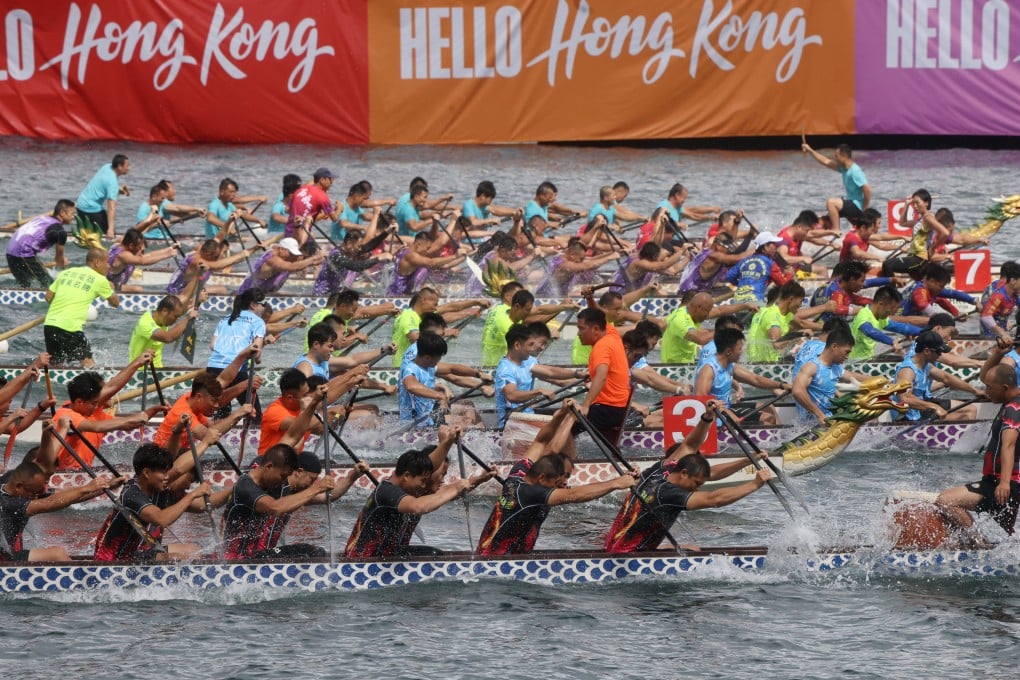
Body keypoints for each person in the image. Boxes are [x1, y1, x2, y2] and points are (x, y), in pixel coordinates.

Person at [605, 402, 772, 552]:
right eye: (696, 483)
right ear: (684, 473)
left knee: (689, 548)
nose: (697, 488)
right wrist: (754, 485)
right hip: (627, 557)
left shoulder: (660, 470)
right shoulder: (669, 493)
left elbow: (691, 445)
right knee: (693, 551)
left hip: (612, 544)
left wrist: (708, 417)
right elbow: (714, 499)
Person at [477, 403, 639, 555]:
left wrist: (562, 416)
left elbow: (540, 443)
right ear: (541, 478)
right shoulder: (531, 493)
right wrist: (616, 483)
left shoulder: (517, 474)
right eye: (557, 483)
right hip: (502, 559)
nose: (561, 485)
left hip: (492, 553)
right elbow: (573, 495)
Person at [345, 447, 493, 558]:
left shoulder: (412, 490)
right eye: (422, 480)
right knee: (434, 555)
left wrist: (478, 480)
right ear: (407, 476)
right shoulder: (387, 491)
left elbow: (442, 494)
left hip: (389, 555)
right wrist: (446, 441)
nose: (424, 485)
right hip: (363, 560)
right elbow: (418, 506)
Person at [93, 442, 226, 562]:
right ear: (146, 473)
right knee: (188, 558)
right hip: (112, 560)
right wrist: (192, 495)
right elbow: (162, 519)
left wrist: (178, 430)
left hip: (131, 554)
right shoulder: (132, 495)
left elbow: (202, 505)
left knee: (194, 551)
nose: (167, 477)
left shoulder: (149, 486)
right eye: (163, 472)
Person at [935, 363, 1020, 541]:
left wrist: (1004, 483)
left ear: (1004, 387)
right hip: (996, 481)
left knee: (946, 500)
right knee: (1009, 535)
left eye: (989, 387)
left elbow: (1009, 445)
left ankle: (980, 545)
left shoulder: (1014, 410)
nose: (987, 391)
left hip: (1005, 484)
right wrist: (997, 352)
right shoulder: (1010, 404)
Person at [221, 445, 346, 559]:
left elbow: (327, 497)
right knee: (312, 553)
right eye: (282, 476)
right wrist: (316, 488)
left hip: (260, 555)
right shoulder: (245, 486)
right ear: (269, 466)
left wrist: (354, 474)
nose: (284, 481)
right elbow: (275, 508)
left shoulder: (273, 483)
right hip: (239, 558)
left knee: (312, 551)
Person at [52, 357, 168, 470]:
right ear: (79, 402)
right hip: (62, 472)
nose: (97, 406)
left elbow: (127, 425)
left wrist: (154, 409)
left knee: (123, 468)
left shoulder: (92, 412)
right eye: (94, 403)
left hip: (82, 471)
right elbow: (97, 427)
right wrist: (136, 363)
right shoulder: (67, 415)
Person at [2, 455, 122, 562]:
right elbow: (50, 503)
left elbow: (66, 496)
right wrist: (86, 488)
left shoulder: (10, 485)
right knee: (57, 554)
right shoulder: (9, 502)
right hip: (3, 561)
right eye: (33, 494)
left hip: (9, 554)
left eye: (38, 493)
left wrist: (106, 487)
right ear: (18, 486)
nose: (35, 497)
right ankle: (81, 585)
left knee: (57, 552)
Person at [694, 327, 790, 424]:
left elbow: (755, 379)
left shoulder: (729, 365)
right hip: (715, 417)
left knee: (769, 408)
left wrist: (782, 385)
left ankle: (782, 437)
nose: (742, 352)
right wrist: (726, 412)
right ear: (728, 351)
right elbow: (700, 400)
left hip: (726, 408)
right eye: (739, 349)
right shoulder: (709, 370)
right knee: (767, 419)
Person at [43, 247, 119, 367]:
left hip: (49, 324)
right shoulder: (101, 280)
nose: (109, 266)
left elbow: (48, 297)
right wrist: (111, 288)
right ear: (97, 262)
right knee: (88, 363)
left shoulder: (66, 272)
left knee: (56, 366)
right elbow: (115, 303)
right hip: (70, 327)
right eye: (107, 262)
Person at [152, 371, 254, 452]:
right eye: (214, 401)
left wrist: (245, 384)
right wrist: (238, 414)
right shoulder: (184, 414)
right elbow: (208, 436)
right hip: (160, 461)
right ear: (199, 397)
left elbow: (223, 379)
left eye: (218, 401)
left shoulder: (190, 398)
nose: (217, 405)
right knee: (194, 466)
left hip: (176, 454)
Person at [893, 331, 981, 422]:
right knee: (963, 418)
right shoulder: (907, 370)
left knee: (971, 409)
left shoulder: (927, 366)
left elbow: (946, 378)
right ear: (926, 351)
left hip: (924, 405)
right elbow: (905, 398)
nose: (940, 355)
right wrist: (935, 407)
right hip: (909, 415)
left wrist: (975, 391)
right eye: (938, 352)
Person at [575, 308, 631, 445]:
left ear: (595, 329)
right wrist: (589, 299)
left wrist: (585, 405)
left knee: (564, 420)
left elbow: (601, 376)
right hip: (619, 408)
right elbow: (599, 316)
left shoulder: (601, 347)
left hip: (608, 410)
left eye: (581, 329)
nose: (578, 333)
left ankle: (564, 461)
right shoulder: (613, 335)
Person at [791, 329, 861, 423]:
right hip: (812, 426)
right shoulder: (811, 367)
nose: (847, 356)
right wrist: (819, 415)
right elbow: (797, 391)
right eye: (847, 352)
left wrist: (880, 380)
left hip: (830, 422)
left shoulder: (835, 368)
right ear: (834, 346)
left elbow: (852, 376)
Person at [495, 325, 557, 428]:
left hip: (526, 417)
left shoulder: (526, 363)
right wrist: (539, 391)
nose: (532, 349)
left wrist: (578, 375)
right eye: (530, 345)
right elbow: (512, 396)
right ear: (517, 345)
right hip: (511, 423)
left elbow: (551, 372)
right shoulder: (505, 369)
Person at [746, 281, 823, 363]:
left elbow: (801, 323)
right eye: (801, 301)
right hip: (766, 365)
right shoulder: (773, 316)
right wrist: (801, 334)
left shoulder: (780, 313)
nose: (801, 305)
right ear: (791, 299)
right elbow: (777, 344)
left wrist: (827, 327)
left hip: (757, 362)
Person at [801, 142, 870, 229]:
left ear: (844, 156)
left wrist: (864, 209)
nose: (835, 158)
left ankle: (836, 231)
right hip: (850, 204)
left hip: (857, 206)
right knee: (823, 220)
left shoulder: (855, 171)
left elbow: (867, 190)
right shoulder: (843, 168)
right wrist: (810, 150)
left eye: (837, 156)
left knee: (831, 202)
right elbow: (826, 161)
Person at [5, 199, 73, 287]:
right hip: (22, 253)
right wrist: (63, 261)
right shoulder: (60, 232)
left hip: (10, 249)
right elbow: (58, 261)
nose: (73, 217)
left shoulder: (43, 218)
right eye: (72, 214)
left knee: (25, 284)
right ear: (63, 213)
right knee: (48, 284)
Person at [166, 238, 259, 299]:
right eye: (216, 256)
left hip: (186, 290)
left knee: (222, 289)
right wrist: (240, 255)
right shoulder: (196, 260)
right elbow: (217, 265)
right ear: (208, 254)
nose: (219, 257)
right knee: (221, 290)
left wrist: (253, 250)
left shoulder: (203, 255)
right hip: (177, 294)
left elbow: (221, 234)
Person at [849, 285, 922, 360]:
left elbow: (901, 327)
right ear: (881, 304)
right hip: (855, 361)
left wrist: (924, 332)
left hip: (867, 359)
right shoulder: (864, 315)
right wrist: (892, 342)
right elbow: (869, 331)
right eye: (891, 308)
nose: (894, 312)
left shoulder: (879, 316)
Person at [128, 295, 199, 367]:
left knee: (185, 368)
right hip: (141, 370)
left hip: (158, 368)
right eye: (175, 317)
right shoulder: (145, 324)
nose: (176, 320)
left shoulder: (159, 316)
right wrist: (188, 319)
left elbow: (179, 309)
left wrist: (198, 301)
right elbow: (168, 338)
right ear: (164, 311)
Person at [386, 231, 465, 296]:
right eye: (427, 248)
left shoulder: (406, 248)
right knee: (425, 268)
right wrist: (455, 256)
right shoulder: (412, 256)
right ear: (418, 244)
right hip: (399, 294)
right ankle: (413, 294)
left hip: (392, 291)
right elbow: (431, 262)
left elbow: (443, 265)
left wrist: (464, 257)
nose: (427, 251)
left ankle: (416, 293)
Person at [725, 231, 793, 305]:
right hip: (755, 304)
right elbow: (784, 283)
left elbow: (729, 276)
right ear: (766, 247)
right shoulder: (770, 263)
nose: (776, 247)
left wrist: (741, 285)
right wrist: (789, 274)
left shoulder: (744, 260)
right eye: (773, 244)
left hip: (737, 303)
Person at [237, 237, 323, 294]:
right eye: (291, 253)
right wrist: (314, 258)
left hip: (262, 295)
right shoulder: (273, 260)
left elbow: (297, 266)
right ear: (281, 249)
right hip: (247, 298)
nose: (294, 256)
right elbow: (291, 267)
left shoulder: (283, 258)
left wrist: (320, 259)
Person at [398, 332, 451, 425]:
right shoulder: (410, 369)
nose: (439, 360)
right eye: (438, 358)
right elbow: (411, 386)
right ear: (427, 358)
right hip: (412, 426)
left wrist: (442, 388)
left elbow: (453, 369)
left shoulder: (426, 369)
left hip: (427, 422)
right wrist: (440, 396)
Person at [106, 228, 181, 292]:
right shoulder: (124, 255)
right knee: (138, 289)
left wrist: (170, 249)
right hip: (108, 287)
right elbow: (143, 261)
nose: (141, 253)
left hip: (110, 284)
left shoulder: (117, 244)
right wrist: (168, 255)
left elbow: (149, 255)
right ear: (131, 246)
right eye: (139, 248)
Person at [76, 153, 130, 239]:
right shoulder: (112, 183)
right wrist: (110, 229)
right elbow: (111, 208)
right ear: (119, 166)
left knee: (89, 235)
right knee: (109, 237)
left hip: (80, 205)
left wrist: (118, 189)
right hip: (90, 209)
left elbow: (102, 184)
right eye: (127, 166)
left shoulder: (107, 167)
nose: (129, 168)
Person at [287, 168, 341, 244]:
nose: (331, 182)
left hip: (288, 231)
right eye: (329, 179)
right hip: (301, 235)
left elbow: (288, 209)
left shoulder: (300, 190)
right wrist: (339, 208)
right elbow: (334, 218)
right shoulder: (322, 196)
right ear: (322, 180)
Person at [481, 289, 534, 367]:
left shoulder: (499, 309)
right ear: (517, 306)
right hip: (498, 368)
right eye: (528, 310)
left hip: (488, 363)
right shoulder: (507, 328)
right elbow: (523, 350)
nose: (529, 313)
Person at [979, 261, 1020, 341]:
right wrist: (1002, 333)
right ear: (1013, 281)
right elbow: (985, 317)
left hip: (1002, 330)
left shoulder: (1013, 294)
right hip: (990, 335)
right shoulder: (999, 295)